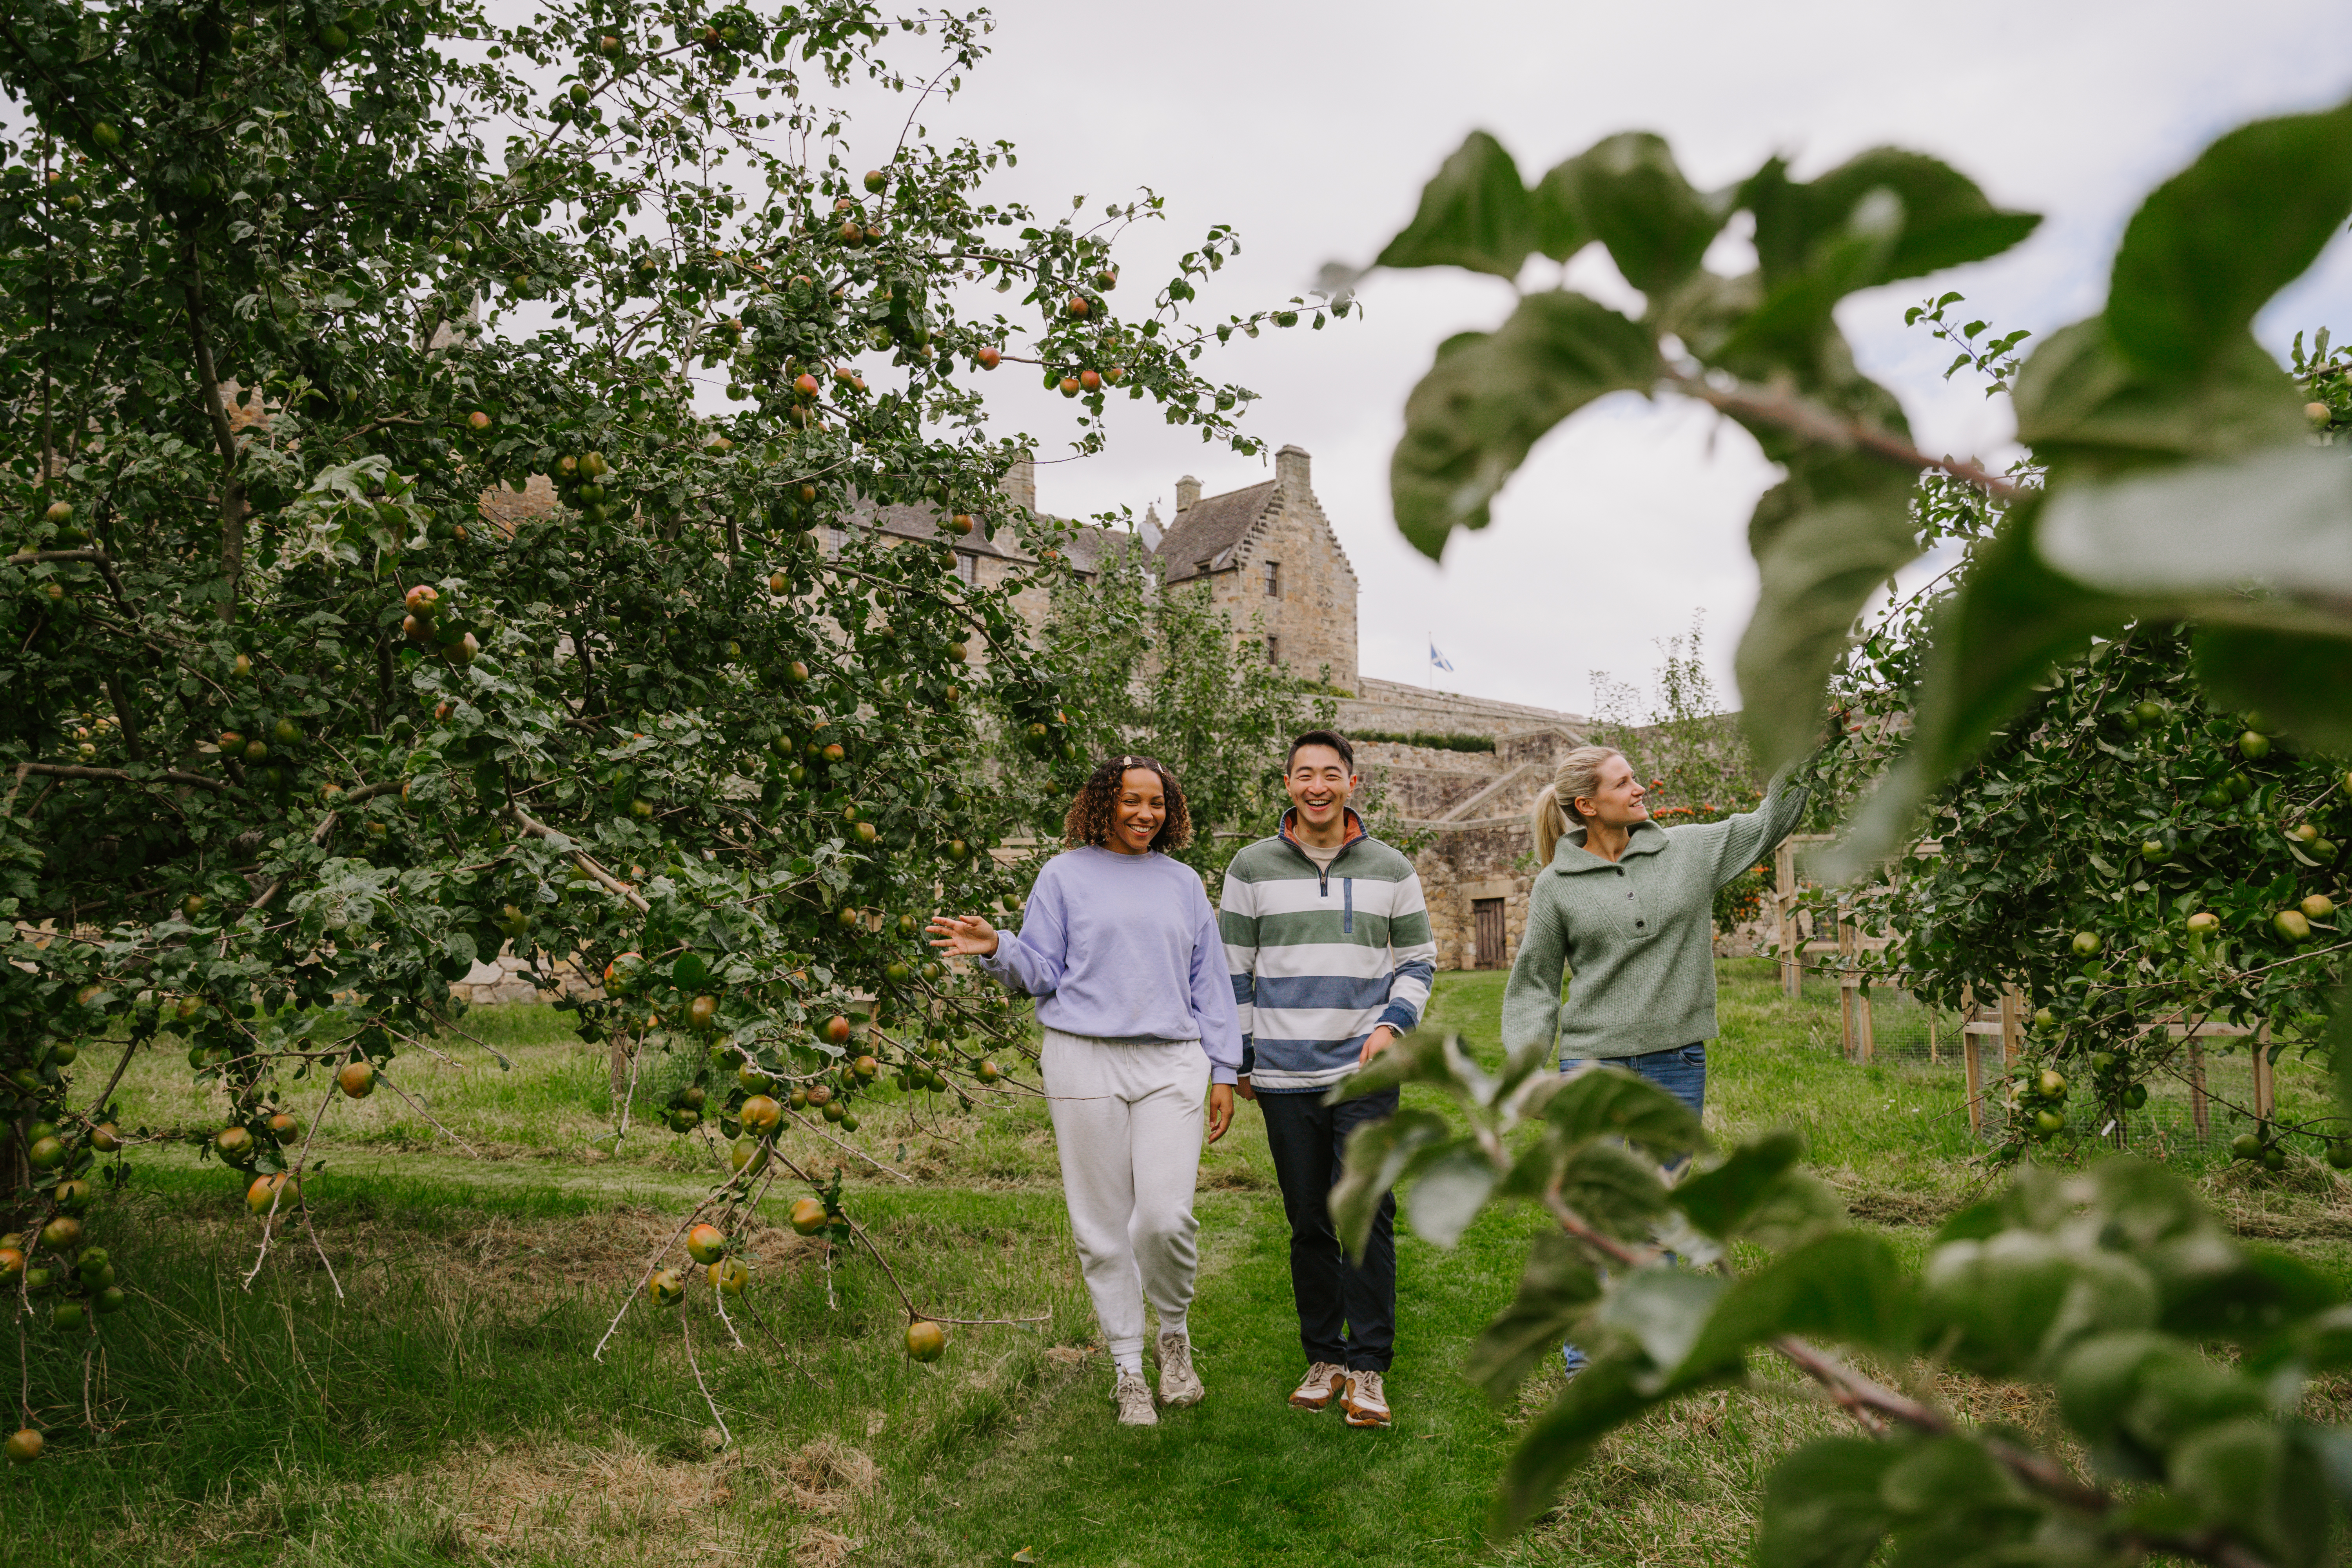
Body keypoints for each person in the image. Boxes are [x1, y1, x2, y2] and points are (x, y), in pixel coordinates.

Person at [929, 756, 1240, 1427]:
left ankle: (1174, 1335)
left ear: (1171, 810)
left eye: (1157, 803)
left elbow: (1210, 983)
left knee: (1163, 1218)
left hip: (1171, 1062)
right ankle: (1129, 1367)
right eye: (1131, 801)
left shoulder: (1184, 884)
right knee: (1102, 1227)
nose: (1144, 814)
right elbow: (1040, 971)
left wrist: (1223, 1070)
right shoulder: (1063, 875)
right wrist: (996, 947)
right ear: (1104, 803)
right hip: (1082, 1060)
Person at [1500, 744, 1807, 1374]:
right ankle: (1586, 1368)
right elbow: (1534, 982)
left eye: (1635, 777)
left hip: (1675, 1062)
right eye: (1625, 781)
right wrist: (1528, 1067)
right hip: (1593, 1067)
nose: (1642, 788)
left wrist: (1808, 750)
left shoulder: (1689, 851)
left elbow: (1772, 819)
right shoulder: (1556, 886)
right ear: (1588, 805)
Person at [1220, 730, 1434, 1429]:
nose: (1318, 786)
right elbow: (1235, 972)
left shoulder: (1391, 867)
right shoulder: (1250, 868)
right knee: (1309, 1218)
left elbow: (1419, 961)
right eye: (1305, 774)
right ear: (1287, 784)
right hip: (1284, 1073)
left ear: (1352, 782)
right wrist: (1243, 1058)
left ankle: (1369, 1366)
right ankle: (1326, 1355)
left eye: (1331, 774)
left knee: (1366, 1214)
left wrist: (1390, 1027)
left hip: (1365, 1068)